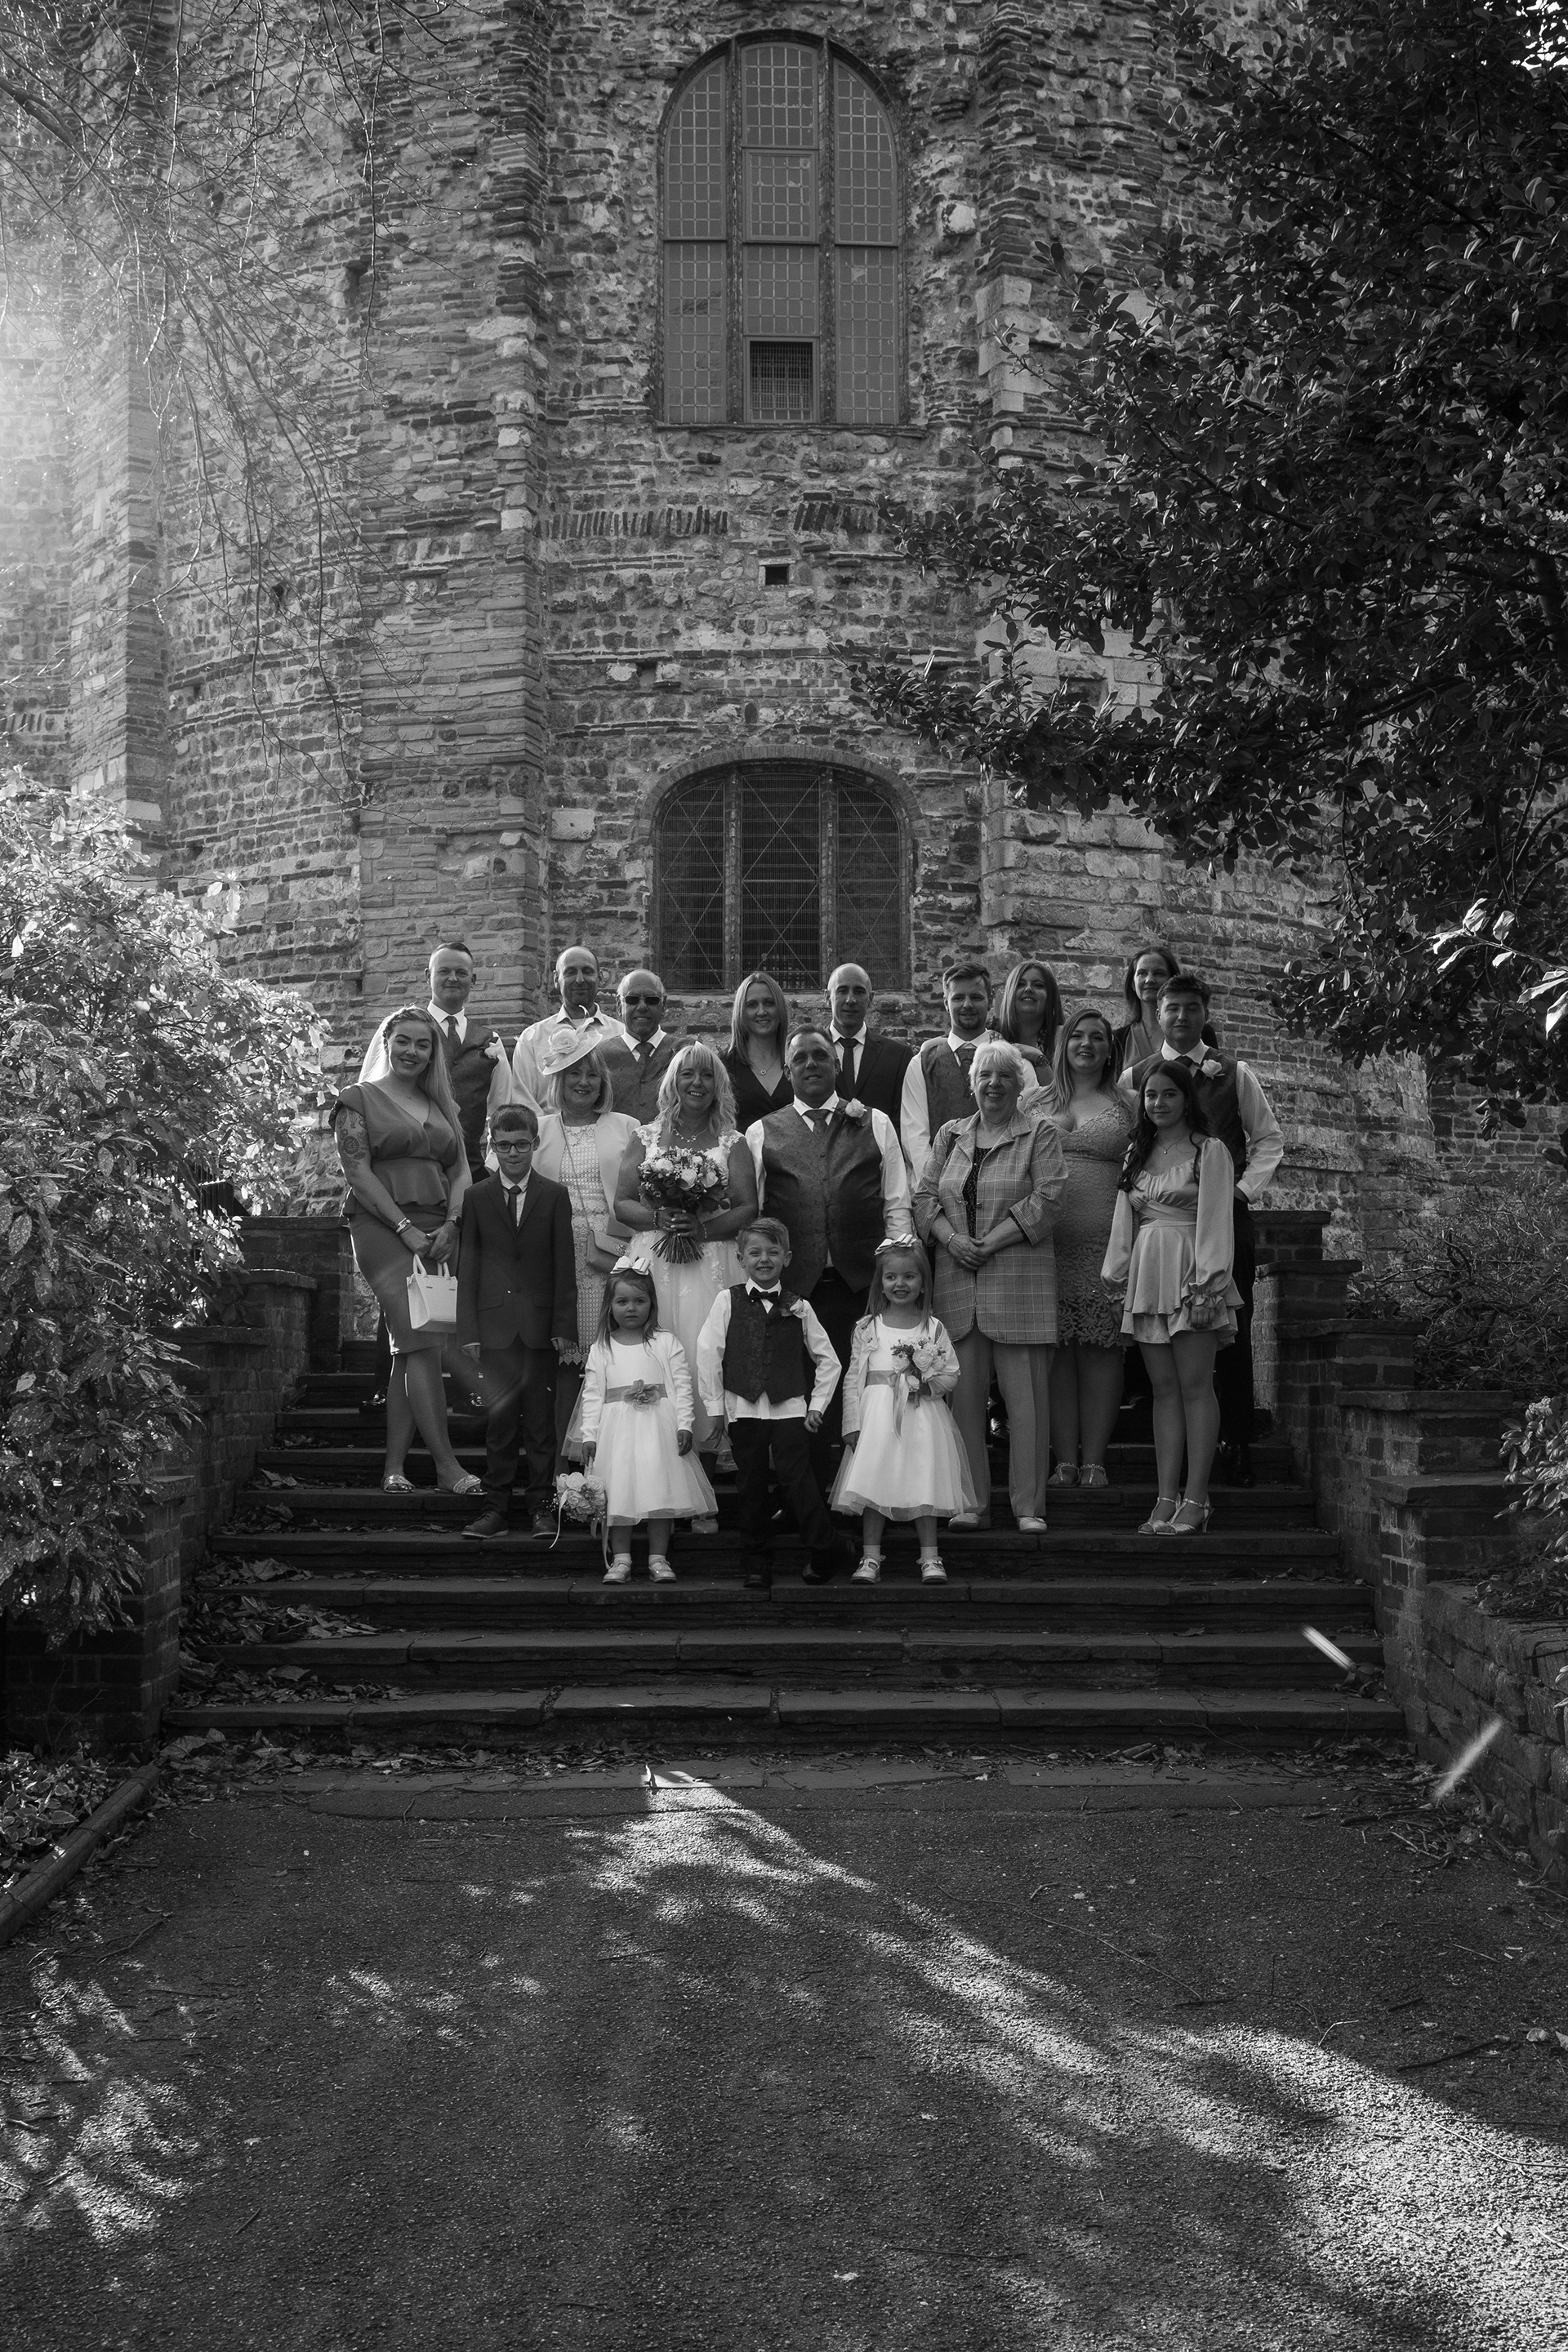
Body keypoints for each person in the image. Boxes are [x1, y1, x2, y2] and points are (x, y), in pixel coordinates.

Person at [1120, 969, 1284, 1486]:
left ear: (1205, 1013)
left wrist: (1238, 1191)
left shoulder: (1234, 1073)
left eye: (1193, 1008)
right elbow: (1131, 1146)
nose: (1183, 1017)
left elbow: (1268, 1139)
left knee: (1228, 1332)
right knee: (1158, 1342)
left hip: (1223, 1220)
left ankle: (1236, 1442)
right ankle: (1166, 1454)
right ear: (1158, 1013)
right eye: (1173, 1008)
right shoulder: (1135, 1077)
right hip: (1157, 1232)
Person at [746, 1024, 915, 1515]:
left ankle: (864, 1495)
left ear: (836, 1065)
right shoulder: (762, 1132)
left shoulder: (875, 1123)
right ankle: (805, 1500)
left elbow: (896, 1203)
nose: (811, 1065)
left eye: (820, 1055)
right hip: (794, 1290)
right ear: (788, 1071)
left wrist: (894, 1271)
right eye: (800, 1058)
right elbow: (756, 1215)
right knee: (799, 1396)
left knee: (858, 1390)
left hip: (859, 1283)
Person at [912, 1037, 1067, 1532]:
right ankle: (970, 1502)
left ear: (1020, 1085)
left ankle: (1029, 1507)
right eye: (985, 1075)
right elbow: (924, 1198)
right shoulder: (950, 1135)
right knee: (962, 1403)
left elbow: (1049, 1200)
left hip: (1020, 1286)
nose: (994, 1084)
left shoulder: (1039, 1133)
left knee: (1027, 1406)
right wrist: (952, 1240)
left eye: (1004, 1076)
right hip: (958, 1286)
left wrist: (988, 1243)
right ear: (972, 1084)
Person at [330, 1006, 483, 1498]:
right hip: (381, 1227)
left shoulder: (443, 1105)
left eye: (423, 1044)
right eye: (404, 1041)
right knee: (422, 1341)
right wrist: (404, 1228)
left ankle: (394, 1467)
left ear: (433, 1053)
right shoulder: (357, 1099)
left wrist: (454, 1224)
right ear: (386, 1042)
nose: (412, 1051)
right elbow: (357, 1172)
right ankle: (446, 1466)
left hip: (440, 1228)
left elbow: (461, 1171)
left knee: (412, 1346)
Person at [613, 1041, 758, 1524]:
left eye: (707, 1075)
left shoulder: (733, 1142)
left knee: (704, 1363)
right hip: (655, 1262)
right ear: (672, 1083)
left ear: (719, 1085)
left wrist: (703, 1228)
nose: (697, 1083)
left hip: (710, 1264)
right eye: (688, 1074)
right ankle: (656, 1490)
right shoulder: (645, 1136)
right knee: (655, 1360)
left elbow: (747, 1207)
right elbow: (622, 1202)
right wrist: (660, 1217)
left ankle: (702, 1497)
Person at [1102, 1058, 1242, 1534]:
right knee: (1163, 1391)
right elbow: (1124, 1221)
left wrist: (1208, 1288)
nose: (1158, 1103)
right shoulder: (1136, 1153)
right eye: (1150, 1095)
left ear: (1187, 1099)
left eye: (1169, 1094)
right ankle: (1166, 1498)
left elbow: (1217, 1220)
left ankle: (1197, 1499)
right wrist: (1116, 1279)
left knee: (1196, 1387)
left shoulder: (1210, 1151)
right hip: (1148, 1276)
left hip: (1191, 1274)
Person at [696, 1218, 843, 1592]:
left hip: (789, 1408)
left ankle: (825, 1547)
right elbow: (709, 1353)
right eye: (755, 1252)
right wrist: (715, 1408)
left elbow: (829, 1360)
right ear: (740, 1258)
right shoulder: (726, 1300)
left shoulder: (800, 1306)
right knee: (751, 1485)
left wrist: (818, 1405)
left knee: (798, 1480)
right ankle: (757, 1560)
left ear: (787, 1258)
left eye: (773, 1252)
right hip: (743, 1409)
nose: (764, 1259)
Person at [455, 1103, 578, 1541]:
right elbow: (468, 1266)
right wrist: (468, 1330)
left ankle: (542, 1507)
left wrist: (564, 1326)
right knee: (500, 1424)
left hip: (542, 1330)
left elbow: (564, 1264)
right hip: (495, 1330)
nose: (512, 1153)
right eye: (504, 1145)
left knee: (541, 1424)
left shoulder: (554, 1195)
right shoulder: (477, 1196)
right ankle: (496, 1509)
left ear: (535, 1144)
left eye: (521, 1145)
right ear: (493, 1145)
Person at [831, 1239, 974, 1585]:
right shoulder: (867, 1327)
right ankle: (870, 1556)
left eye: (910, 1276)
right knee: (873, 1482)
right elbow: (853, 1377)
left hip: (921, 1417)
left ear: (923, 1283)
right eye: (891, 1277)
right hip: (877, 1418)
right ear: (880, 1283)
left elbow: (951, 1373)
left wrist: (927, 1385)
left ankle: (930, 1556)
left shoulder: (933, 1328)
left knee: (924, 1480)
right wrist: (851, 1423)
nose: (900, 1284)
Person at [532, 1033, 641, 1455]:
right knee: (567, 1364)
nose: (583, 1082)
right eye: (574, 1073)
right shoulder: (539, 1128)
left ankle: (616, 1456)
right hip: (557, 1256)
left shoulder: (627, 1126)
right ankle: (566, 1464)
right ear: (558, 1080)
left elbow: (639, 1192)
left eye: (592, 1075)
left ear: (603, 1081)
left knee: (613, 1356)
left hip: (615, 1251)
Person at [580, 1262, 717, 1584]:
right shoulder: (602, 1347)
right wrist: (589, 1435)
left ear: (652, 1304)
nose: (631, 1308)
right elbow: (592, 1395)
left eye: (639, 1301)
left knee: (660, 1491)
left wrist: (685, 1424)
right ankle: (621, 1559)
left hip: (659, 1430)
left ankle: (658, 1558)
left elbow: (682, 1387)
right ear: (610, 1306)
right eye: (622, 1301)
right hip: (617, 1433)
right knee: (618, 1492)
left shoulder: (666, 1342)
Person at [1045, 1007, 1133, 1488]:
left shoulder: (1129, 1103)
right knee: (1056, 1353)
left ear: (1109, 1049)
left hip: (1107, 1245)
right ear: (1064, 1045)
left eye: (1097, 1037)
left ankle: (1094, 1461)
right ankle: (1064, 1461)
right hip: (1043, 1248)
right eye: (1077, 1035)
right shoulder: (1033, 1101)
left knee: (1101, 1349)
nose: (1086, 1044)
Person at [900, 960, 996, 1181]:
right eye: (958, 998)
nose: (967, 1005)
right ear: (946, 1002)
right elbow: (915, 1136)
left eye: (976, 997)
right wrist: (936, 1186)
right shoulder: (921, 1065)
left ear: (990, 1001)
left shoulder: (1010, 1060)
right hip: (937, 1186)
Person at [427, 940, 512, 1181]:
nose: (452, 978)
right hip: (416, 1168)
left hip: (472, 1172)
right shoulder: (402, 1031)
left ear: (473, 980)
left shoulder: (490, 1040)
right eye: (444, 971)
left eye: (461, 973)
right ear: (428, 976)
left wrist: (491, 1167)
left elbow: (504, 1111)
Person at [511, 945, 624, 1108]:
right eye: (570, 972)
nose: (580, 980)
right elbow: (524, 1102)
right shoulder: (532, 1039)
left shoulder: (620, 1034)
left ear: (599, 978)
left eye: (587, 971)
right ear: (556, 979)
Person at [1111, 943, 1218, 1076]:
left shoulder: (1199, 1031)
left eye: (1159, 973)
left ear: (1172, 980)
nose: (1149, 980)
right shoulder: (1120, 1039)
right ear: (1133, 983)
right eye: (1142, 973)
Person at [826, 962, 911, 1122]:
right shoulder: (808, 1054)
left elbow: (903, 1122)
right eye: (842, 991)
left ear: (871, 999)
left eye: (859, 992)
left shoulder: (897, 1057)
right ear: (827, 997)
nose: (850, 1000)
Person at [599, 970, 688, 1121]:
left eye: (651, 1000)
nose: (641, 1007)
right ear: (619, 1005)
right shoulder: (599, 1056)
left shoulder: (685, 1053)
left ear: (664, 1005)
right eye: (632, 1000)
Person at [721, 969, 795, 1131]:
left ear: (780, 1008)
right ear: (741, 1011)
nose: (761, 1012)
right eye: (752, 1005)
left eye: (769, 1003)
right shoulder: (723, 1066)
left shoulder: (798, 1060)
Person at [996, 959, 1064, 1084]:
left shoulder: (1063, 1038)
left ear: (1050, 996)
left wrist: (1038, 1057)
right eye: (1020, 984)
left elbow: (1064, 1093)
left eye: (1038, 985)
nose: (1028, 989)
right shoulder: (993, 1034)